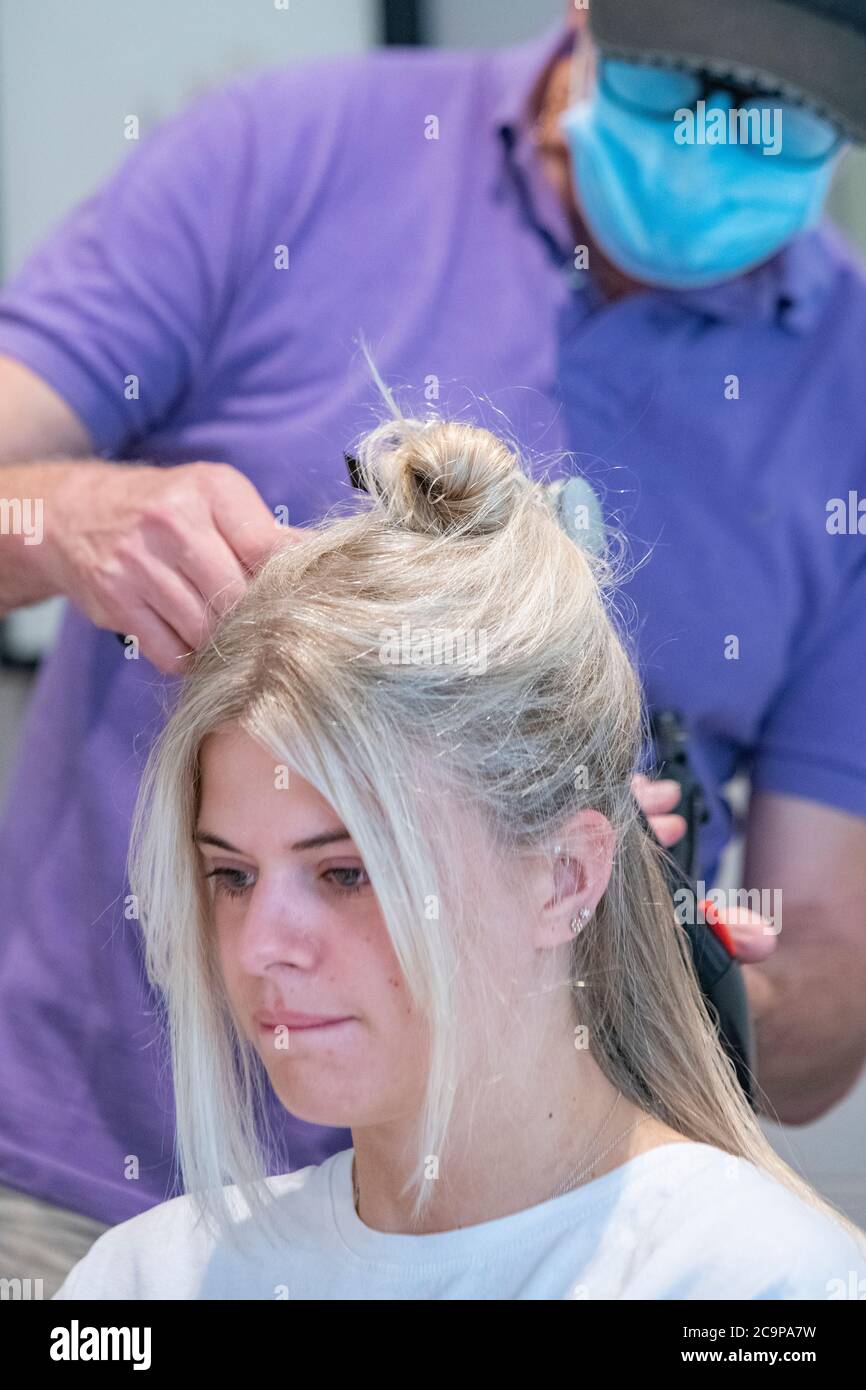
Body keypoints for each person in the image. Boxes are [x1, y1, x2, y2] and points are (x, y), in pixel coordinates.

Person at [1, 0, 866, 1295]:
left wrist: (652, 924)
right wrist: (66, 512)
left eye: (767, 110)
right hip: (72, 1189)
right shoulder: (279, 155)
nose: (263, 956)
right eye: (227, 874)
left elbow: (816, 974)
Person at [52, 385, 866, 1299]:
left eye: (347, 871)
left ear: (564, 876)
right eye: (231, 874)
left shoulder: (753, 1285)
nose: (261, 944)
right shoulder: (145, 1282)